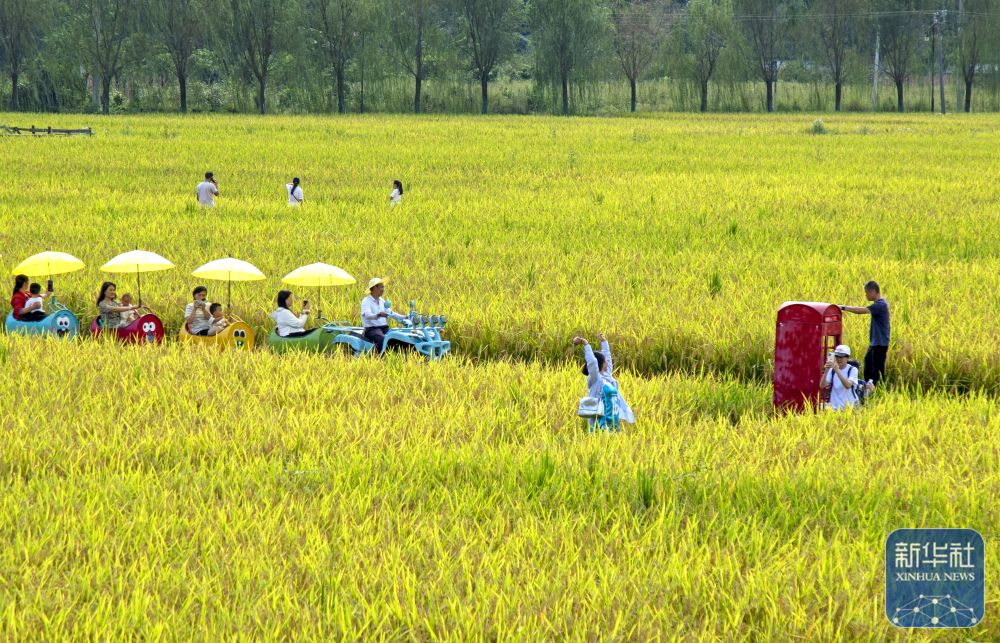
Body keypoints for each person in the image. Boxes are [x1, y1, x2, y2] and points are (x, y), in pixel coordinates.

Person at [572, 333, 635, 430]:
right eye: (605, 361)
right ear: (600, 363)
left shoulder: (607, 376)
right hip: (598, 417)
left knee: (613, 433)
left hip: (612, 417)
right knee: (599, 434)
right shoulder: (595, 378)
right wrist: (586, 344)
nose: (607, 362)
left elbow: (608, 357)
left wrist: (604, 342)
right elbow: (592, 362)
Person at [839, 280, 890, 386]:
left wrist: (843, 307)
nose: (866, 295)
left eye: (867, 292)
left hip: (880, 344)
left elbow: (862, 310)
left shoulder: (880, 305)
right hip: (875, 343)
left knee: (877, 371)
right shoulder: (879, 304)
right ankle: (868, 389)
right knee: (868, 367)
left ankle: (878, 389)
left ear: (873, 291)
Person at [361, 277, 408, 352]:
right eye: (381, 287)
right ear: (374, 288)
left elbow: (390, 313)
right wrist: (378, 315)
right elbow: (367, 315)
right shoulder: (366, 301)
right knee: (383, 339)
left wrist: (405, 317)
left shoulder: (382, 301)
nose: (383, 289)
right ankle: (379, 356)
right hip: (372, 329)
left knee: (399, 337)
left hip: (384, 328)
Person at [821, 344, 860, 411]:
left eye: (841, 357)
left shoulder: (852, 370)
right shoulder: (832, 370)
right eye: (837, 356)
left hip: (850, 407)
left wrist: (837, 371)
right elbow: (822, 385)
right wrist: (826, 371)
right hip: (835, 407)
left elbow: (848, 385)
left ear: (847, 358)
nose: (839, 359)